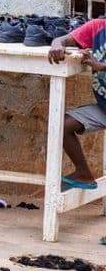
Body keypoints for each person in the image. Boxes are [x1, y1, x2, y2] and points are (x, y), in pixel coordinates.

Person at [49, 19, 106, 190]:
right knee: (61, 125)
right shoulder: (97, 27)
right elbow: (65, 39)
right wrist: (56, 44)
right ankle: (83, 174)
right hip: (104, 109)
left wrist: (102, 66)